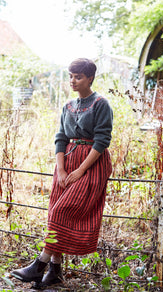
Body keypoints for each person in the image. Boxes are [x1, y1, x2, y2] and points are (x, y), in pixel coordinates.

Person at [11, 58, 113, 288]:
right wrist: (61, 168)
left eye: (78, 77)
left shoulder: (100, 104)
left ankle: (39, 265)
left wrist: (79, 171)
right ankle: (55, 271)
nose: (73, 81)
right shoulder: (68, 106)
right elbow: (60, 138)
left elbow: (102, 141)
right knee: (53, 213)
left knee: (62, 210)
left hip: (91, 165)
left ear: (90, 78)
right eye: (70, 76)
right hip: (65, 164)